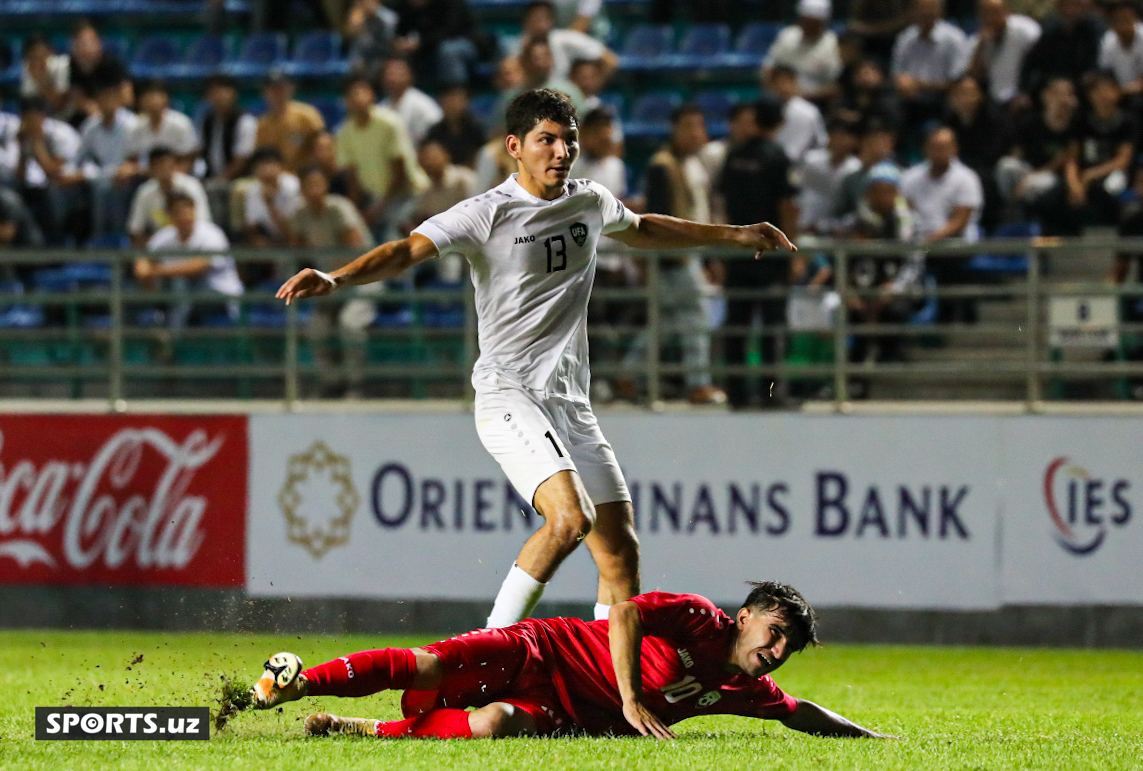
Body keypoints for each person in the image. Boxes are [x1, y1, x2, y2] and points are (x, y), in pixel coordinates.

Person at [276, 89, 795, 629]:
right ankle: (484, 652)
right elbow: (406, 249)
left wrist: (732, 234)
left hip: (571, 402)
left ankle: (603, 683)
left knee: (619, 549)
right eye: (546, 140)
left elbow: (640, 228)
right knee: (570, 520)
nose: (560, 151)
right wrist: (337, 276)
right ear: (515, 147)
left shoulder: (589, 200)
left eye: (568, 140)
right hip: (509, 393)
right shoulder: (486, 212)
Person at [247, 581, 891, 741]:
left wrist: (874, 737)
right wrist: (633, 697)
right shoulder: (697, 617)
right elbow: (627, 612)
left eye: (788, 649)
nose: (775, 655)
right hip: (545, 645)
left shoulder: (750, 688)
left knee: (495, 726)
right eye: (774, 634)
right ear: (746, 615)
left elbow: (801, 714)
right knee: (429, 666)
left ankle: (362, 729)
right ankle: (300, 684)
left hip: (562, 708)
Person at [621, 104, 728, 406]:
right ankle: (698, 383)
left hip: (693, 253)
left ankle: (627, 374)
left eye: (700, 126)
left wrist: (709, 257)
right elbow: (659, 217)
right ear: (675, 130)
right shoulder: (662, 165)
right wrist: (666, 258)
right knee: (695, 315)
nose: (696, 133)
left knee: (666, 322)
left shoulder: (695, 165)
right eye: (688, 127)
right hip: (674, 257)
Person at [717, 97, 801, 409]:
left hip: (738, 250)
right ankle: (771, 395)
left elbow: (722, 205)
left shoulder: (734, 155)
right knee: (772, 326)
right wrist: (792, 248)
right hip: (769, 254)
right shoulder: (778, 156)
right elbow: (787, 205)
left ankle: (736, 395)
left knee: (737, 325)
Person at [335, 75, 427, 240]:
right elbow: (352, 176)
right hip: (373, 199)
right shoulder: (345, 132)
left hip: (407, 195)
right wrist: (359, 212)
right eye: (353, 94)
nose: (358, 98)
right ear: (346, 100)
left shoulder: (390, 123)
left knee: (392, 241)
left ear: (372, 96)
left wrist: (378, 209)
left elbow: (400, 172)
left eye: (363, 92)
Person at [138, 191, 243, 329]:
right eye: (179, 213)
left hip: (219, 294)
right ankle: (157, 322)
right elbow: (142, 260)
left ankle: (172, 340)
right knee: (174, 287)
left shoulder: (211, 234)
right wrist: (145, 272)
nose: (184, 217)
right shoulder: (165, 236)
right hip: (184, 294)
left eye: (188, 212)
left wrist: (155, 271)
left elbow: (198, 267)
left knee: (179, 283)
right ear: (170, 215)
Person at [891, 0, 971, 138]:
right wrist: (902, 83)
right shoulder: (905, 37)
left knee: (954, 106)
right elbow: (896, 72)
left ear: (939, 11)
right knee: (888, 106)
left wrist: (920, 85)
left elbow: (958, 82)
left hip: (942, 96)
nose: (924, 13)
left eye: (929, 10)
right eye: (920, 9)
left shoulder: (954, 38)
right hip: (909, 96)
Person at [128, 146, 212, 248]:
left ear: (175, 165)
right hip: (160, 247)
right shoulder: (145, 192)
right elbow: (136, 229)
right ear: (150, 169)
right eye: (159, 165)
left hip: (193, 244)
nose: (164, 169)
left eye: (168, 165)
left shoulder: (192, 187)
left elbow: (203, 223)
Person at [763, 0, 844, 105]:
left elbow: (835, 87)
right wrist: (777, 91)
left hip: (815, 103)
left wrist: (801, 95)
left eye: (814, 23)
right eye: (806, 21)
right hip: (778, 100)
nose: (809, 26)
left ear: (824, 22)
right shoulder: (787, 35)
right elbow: (767, 68)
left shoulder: (832, 43)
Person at [515, 1, 618, 82]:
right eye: (535, 19)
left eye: (543, 19)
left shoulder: (566, 39)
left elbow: (610, 60)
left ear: (552, 20)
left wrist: (582, 91)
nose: (539, 25)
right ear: (525, 21)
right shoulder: (518, 45)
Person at [966, 0, 1042, 106]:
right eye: (986, 14)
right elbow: (974, 76)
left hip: (1024, 95)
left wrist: (1026, 93)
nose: (992, 19)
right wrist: (980, 47)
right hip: (993, 100)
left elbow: (1042, 63)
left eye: (995, 13)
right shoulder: (978, 41)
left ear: (1007, 12)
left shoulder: (1026, 30)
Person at [255, 70, 325, 173]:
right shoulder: (262, 124)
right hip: (276, 177)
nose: (278, 93)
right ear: (265, 92)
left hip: (305, 174)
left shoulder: (307, 115)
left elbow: (321, 145)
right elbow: (261, 157)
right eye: (273, 89)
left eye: (281, 88)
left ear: (291, 89)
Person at [124, 80, 199, 174]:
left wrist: (168, 175)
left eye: (154, 97)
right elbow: (132, 158)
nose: (151, 101)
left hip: (179, 175)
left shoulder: (180, 124)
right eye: (147, 97)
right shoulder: (137, 127)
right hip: (148, 176)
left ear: (165, 99)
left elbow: (189, 159)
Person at [766, 65, 828, 166]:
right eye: (778, 82)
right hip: (775, 161)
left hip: (805, 163)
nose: (783, 86)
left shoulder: (807, 111)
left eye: (787, 81)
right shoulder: (766, 109)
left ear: (795, 83)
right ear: (771, 85)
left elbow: (798, 149)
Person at [379, 57, 444, 146]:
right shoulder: (381, 107)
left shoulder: (423, 104)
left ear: (409, 76)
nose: (393, 78)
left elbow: (437, 131)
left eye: (398, 73)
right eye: (390, 74)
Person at [424, 84, 487, 168]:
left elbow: (482, 154)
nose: (453, 104)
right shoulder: (435, 131)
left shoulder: (476, 128)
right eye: (449, 100)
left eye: (457, 100)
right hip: (444, 173)